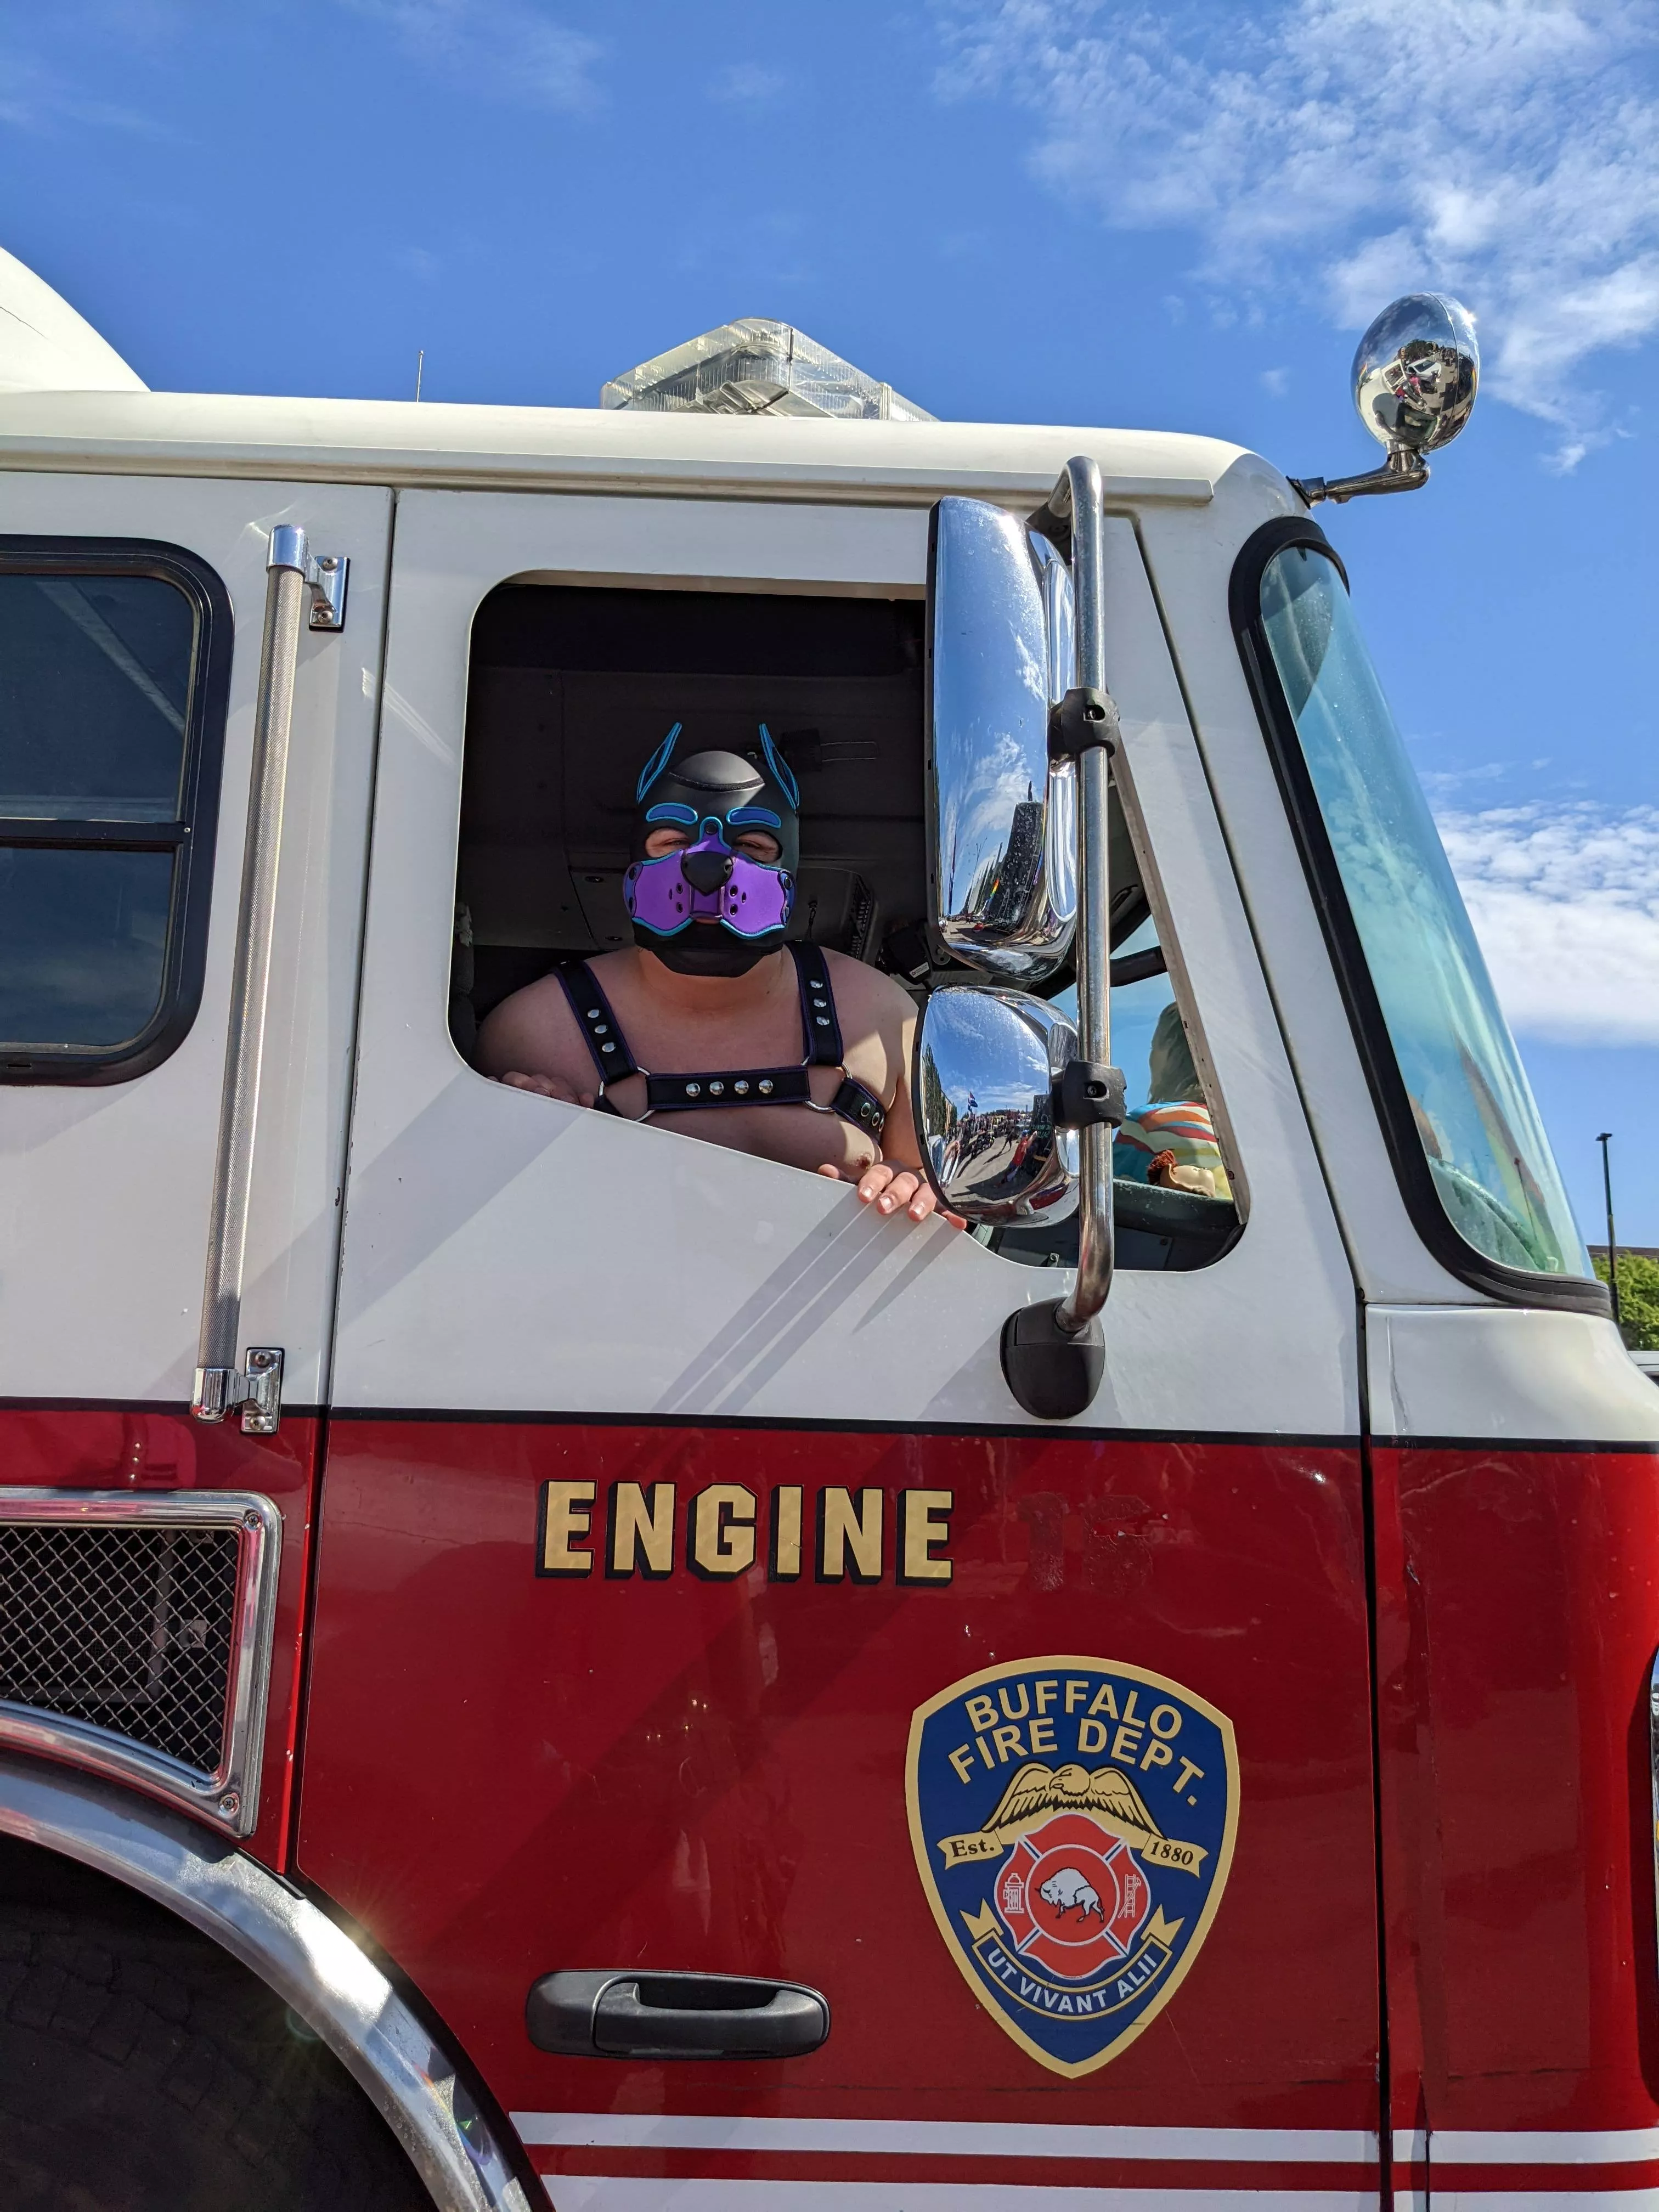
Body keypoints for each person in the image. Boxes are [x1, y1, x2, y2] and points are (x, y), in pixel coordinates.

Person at [477, 724, 958, 1233]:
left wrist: (910, 1190)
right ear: (635, 863)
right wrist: (516, 1131)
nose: (710, 867)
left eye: (752, 843)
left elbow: (926, 1211)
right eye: (674, 839)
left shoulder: (882, 1019)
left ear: (790, 866)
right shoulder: (531, 1031)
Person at [1113, 1001, 1232, 1200]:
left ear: (1172, 1051)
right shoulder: (1250, 1139)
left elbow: (1102, 1199)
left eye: (1154, 1047)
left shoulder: (1150, 1124)